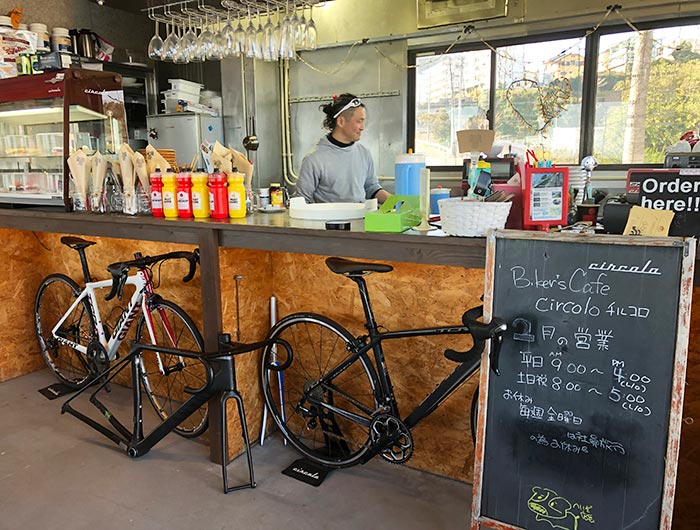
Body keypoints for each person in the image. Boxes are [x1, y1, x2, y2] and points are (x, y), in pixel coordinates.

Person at [295, 93, 390, 204]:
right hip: (329, 221)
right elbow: (301, 201)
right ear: (341, 121)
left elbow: (371, 188)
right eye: (359, 121)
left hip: (361, 220)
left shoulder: (364, 153)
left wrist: (396, 201)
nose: (362, 127)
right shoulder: (314, 159)